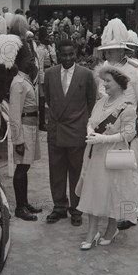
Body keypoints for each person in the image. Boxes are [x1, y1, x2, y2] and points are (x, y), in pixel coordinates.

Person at [97, 19, 138, 231]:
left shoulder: (135, 70)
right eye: (107, 51)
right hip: (108, 130)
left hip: (128, 131)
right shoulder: (103, 69)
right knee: (110, 170)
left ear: (123, 49)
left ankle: (130, 214)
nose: (110, 55)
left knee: (127, 171)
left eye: (115, 50)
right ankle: (114, 210)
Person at [75, 66, 137, 249]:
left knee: (113, 193)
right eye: (104, 81)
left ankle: (112, 228)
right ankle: (92, 232)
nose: (105, 84)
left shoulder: (127, 108)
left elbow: (129, 134)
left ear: (119, 84)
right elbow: (91, 121)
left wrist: (104, 138)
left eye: (108, 81)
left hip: (113, 155)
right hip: (95, 154)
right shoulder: (101, 102)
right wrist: (90, 131)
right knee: (94, 191)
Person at [44, 40, 97, 226]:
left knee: (76, 172)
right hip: (56, 130)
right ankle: (59, 207)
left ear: (76, 54)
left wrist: (85, 126)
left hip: (77, 131)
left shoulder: (87, 75)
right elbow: (50, 100)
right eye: (63, 54)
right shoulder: (49, 74)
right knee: (56, 171)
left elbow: (91, 104)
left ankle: (76, 209)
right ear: (58, 54)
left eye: (70, 54)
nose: (67, 58)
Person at [8, 45, 43, 221]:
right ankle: (20, 207)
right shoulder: (18, 83)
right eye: (29, 59)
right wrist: (18, 140)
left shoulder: (26, 79)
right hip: (24, 128)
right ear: (20, 62)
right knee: (21, 168)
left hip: (31, 127)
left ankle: (24, 202)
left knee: (25, 166)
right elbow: (14, 114)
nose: (32, 62)